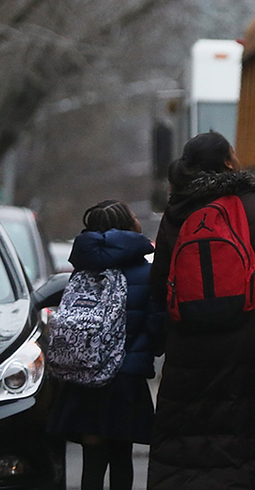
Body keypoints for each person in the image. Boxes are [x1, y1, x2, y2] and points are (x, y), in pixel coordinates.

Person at [147, 131, 255, 490]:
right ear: (228, 162)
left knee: (188, 439)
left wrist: (157, 340)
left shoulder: (177, 210)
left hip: (189, 350)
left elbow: (160, 283)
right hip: (247, 345)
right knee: (250, 439)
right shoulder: (252, 204)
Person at [46, 200, 164, 490]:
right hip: (125, 378)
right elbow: (156, 324)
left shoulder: (83, 271)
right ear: (128, 226)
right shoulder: (146, 273)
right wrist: (146, 352)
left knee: (92, 460)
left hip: (84, 376)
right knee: (121, 458)